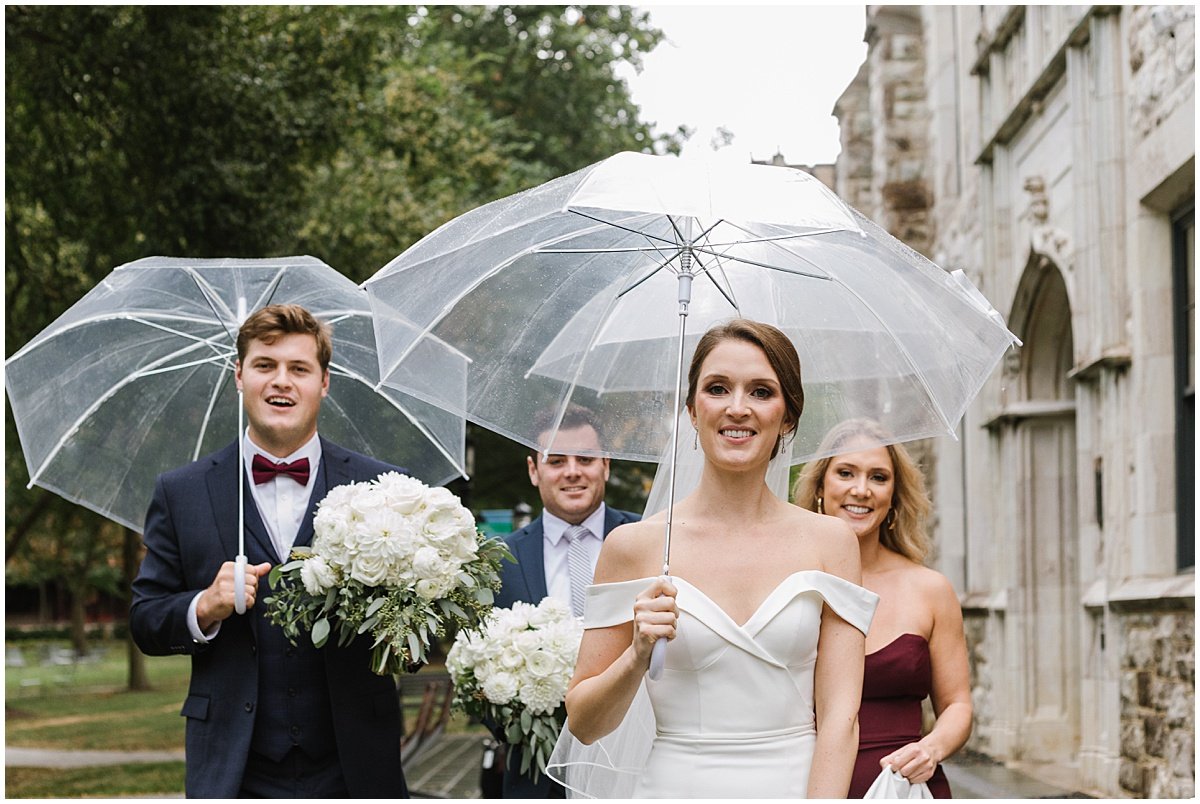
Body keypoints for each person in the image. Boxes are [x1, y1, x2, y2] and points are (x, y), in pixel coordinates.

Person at [551, 319, 878, 798]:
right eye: (718, 388)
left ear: (788, 416)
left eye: (762, 391)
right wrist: (636, 654)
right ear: (692, 409)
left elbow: (840, 718)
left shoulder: (831, 543)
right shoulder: (633, 546)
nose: (737, 408)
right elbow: (584, 723)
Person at [130, 304, 409, 798]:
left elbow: (414, 632)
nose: (281, 381)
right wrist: (205, 607)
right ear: (239, 376)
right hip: (233, 769)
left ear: (324, 382)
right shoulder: (182, 491)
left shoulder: (382, 487)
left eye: (299, 368)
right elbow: (146, 619)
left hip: (355, 764)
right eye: (265, 365)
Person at [793, 418, 972, 798]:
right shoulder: (787, 585)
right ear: (821, 486)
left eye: (878, 477)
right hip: (800, 784)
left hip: (905, 790)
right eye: (845, 473)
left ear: (894, 495)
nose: (861, 490)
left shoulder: (930, 588)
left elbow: (957, 704)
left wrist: (931, 749)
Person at [492, 404, 641, 798]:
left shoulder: (650, 539)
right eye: (556, 460)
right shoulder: (498, 560)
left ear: (606, 465)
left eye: (586, 459)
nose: (572, 471)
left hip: (633, 765)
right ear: (533, 469)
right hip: (535, 775)